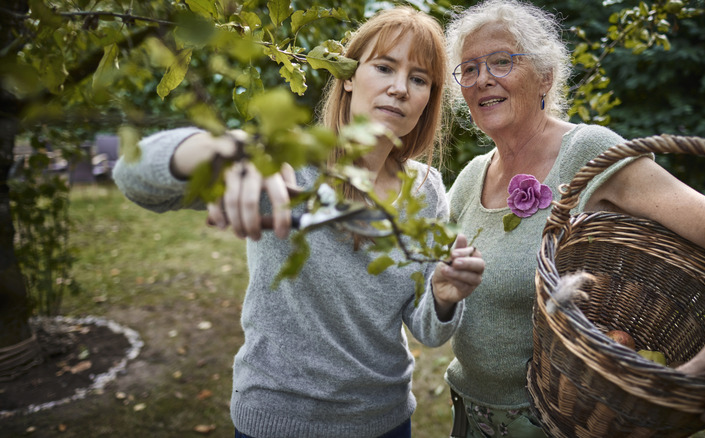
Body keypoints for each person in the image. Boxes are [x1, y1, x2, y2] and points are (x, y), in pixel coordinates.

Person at [113, 6, 485, 438]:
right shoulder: (285, 164)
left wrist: (443, 294)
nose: (400, 89)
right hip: (279, 421)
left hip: (384, 421)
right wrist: (218, 147)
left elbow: (425, 328)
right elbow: (132, 176)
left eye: (418, 79)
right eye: (384, 67)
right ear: (347, 76)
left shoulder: (424, 190)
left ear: (428, 99)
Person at [442, 0, 705, 436]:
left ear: (545, 75)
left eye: (501, 61)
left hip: (561, 421)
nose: (482, 77)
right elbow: (427, 280)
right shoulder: (471, 177)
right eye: (468, 69)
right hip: (469, 414)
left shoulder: (586, 153)